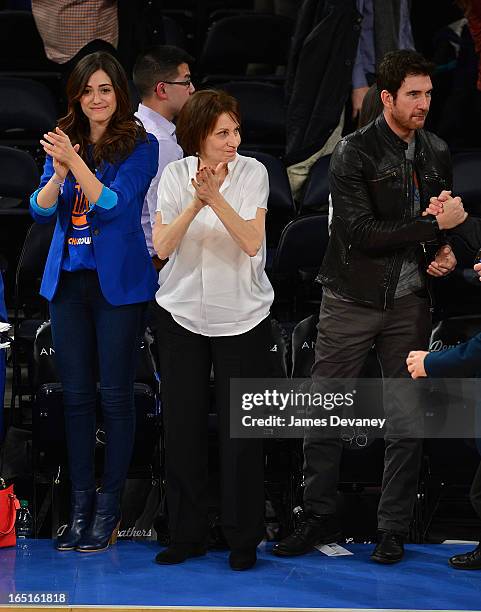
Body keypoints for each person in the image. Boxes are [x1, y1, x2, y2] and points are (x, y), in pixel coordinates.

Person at [273, 49, 467, 564]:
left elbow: (435, 217)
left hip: (409, 300)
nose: (425, 103)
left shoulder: (436, 150)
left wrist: (443, 251)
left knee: (405, 414)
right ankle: (317, 515)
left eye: (428, 93)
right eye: (414, 95)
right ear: (387, 98)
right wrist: (435, 230)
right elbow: (359, 234)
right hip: (351, 296)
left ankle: (394, 527)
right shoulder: (354, 152)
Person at [29, 51, 159, 553]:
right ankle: (79, 506)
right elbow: (41, 212)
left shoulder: (140, 146)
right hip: (66, 284)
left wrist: (75, 161)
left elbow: (113, 204)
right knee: (76, 397)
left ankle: (108, 510)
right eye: (87, 91)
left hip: (118, 288)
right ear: (76, 97)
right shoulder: (63, 141)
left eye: (105, 89)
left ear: (119, 94)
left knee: (116, 397)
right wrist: (59, 173)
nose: (96, 99)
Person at [152, 89, 275, 571]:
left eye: (236, 130)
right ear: (198, 136)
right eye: (222, 133)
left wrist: (216, 198)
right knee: (182, 429)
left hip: (243, 317)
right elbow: (161, 245)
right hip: (181, 315)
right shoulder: (173, 176)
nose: (232, 140)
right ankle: (187, 534)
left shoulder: (255, 173)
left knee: (240, 434)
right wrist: (194, 202)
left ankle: (242, 539)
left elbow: (250, 240)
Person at [132, 45, 195, 269]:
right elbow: (159, 211)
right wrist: (159, 261)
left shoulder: (130, 126)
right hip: (152, 260)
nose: (192, 89)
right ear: (162, 90)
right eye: (186, 81)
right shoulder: (161, 143)